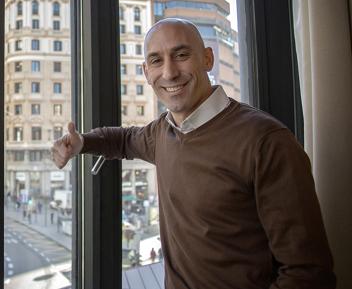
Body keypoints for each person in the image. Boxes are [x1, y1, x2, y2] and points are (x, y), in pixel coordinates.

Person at [51, 18, 335, 288]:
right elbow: (124, 139)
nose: (169, 72)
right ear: (146, 72)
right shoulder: (162, 132)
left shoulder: (266, 141)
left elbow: (307, 273)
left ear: (208, 59)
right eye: (156, 60)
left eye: (182, 55)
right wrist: (83, 143)